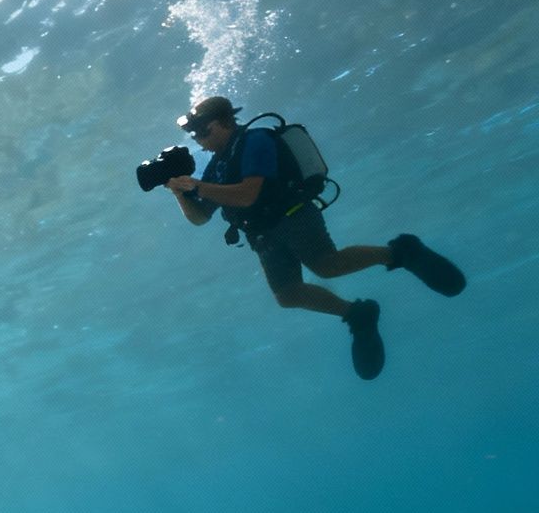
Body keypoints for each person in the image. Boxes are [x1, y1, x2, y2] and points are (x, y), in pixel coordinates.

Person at [165, 95, 466, 380]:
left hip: (291, 214)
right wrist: (180, 192)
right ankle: (358, 315)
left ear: (225, 121)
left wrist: (198, 187)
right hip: (263, 234)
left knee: (326, 265)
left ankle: (401, 251)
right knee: (288, 294)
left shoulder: (254, 141)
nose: (199, 139)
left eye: (203, 131)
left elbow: (247, 193)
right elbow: (200, 218)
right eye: (194, 135)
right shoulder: (217, 167)